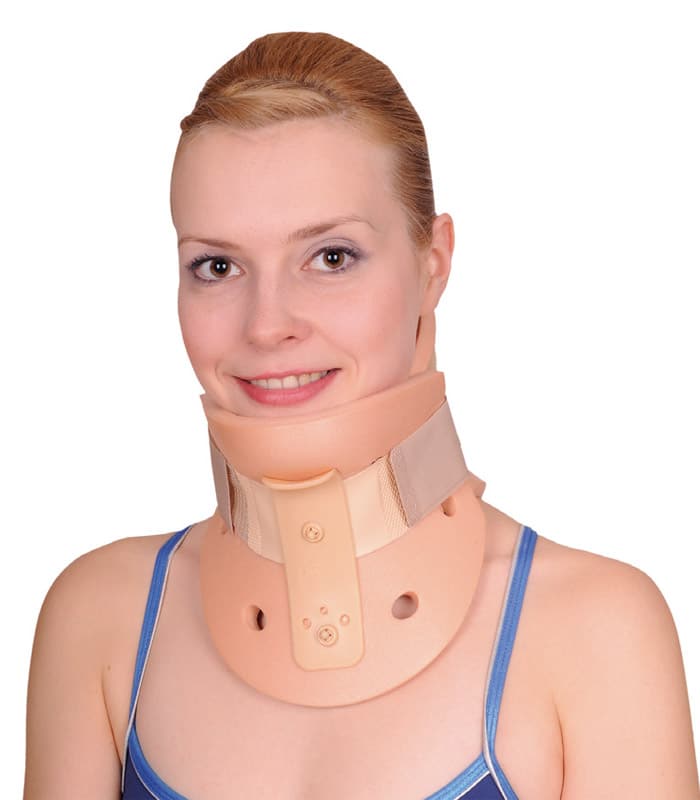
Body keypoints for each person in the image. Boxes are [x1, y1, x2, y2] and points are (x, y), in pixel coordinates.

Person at [24, 31, 699, 800]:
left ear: (433, 263)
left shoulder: (595, 632)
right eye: (217, 266)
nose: (267, 324)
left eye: (331, 257)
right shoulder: (102, 621)